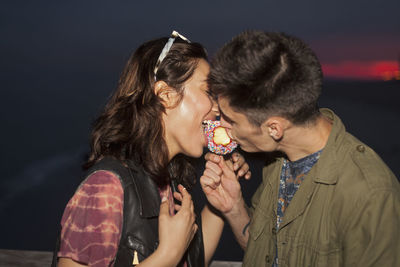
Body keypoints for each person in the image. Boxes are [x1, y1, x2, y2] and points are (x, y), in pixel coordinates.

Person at [200, 31, 400, 266]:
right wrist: (234, 207)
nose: (220, 124)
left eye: (230, 120)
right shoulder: (278, 161)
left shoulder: (370, 196)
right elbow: (270, 254)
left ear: (274, 128)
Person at [52, 31, 250, 267]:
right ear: (166, 95)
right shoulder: (107, 186)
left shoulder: (169, 184)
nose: (218, 109)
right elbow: (170, 255)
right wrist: (168, 255)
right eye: (208, 92)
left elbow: (193, 262)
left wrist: (218, 202)